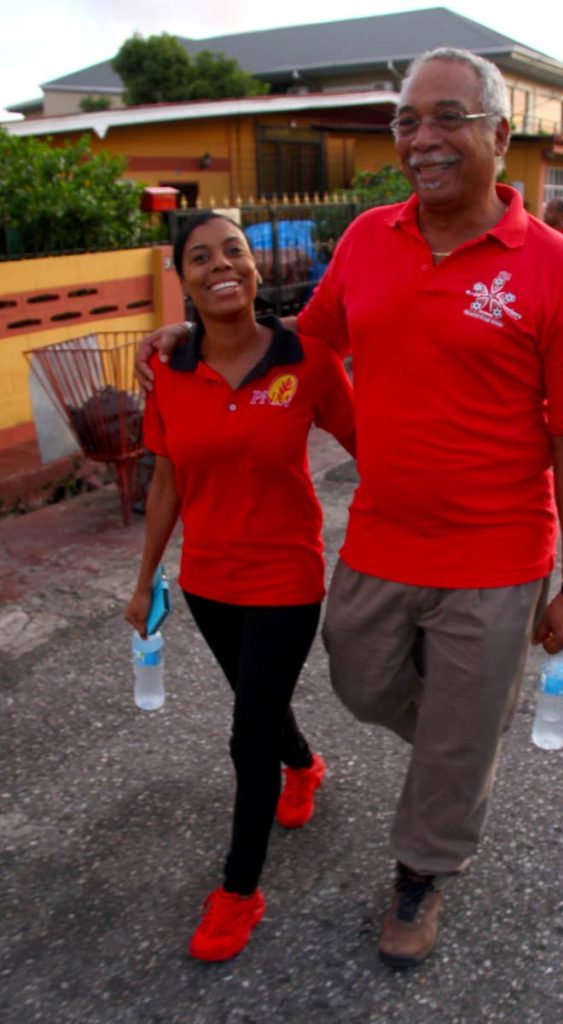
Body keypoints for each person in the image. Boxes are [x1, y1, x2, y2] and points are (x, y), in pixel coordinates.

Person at [137, 47, 563, 970]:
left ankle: (420, 871)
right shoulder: (366, 240)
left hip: (499, 554)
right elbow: (302, 347)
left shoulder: (555, 272)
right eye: (407, 122)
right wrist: (196, 335)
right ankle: (461, 744)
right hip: (382, 542)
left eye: (447, 118)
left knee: (452, 747)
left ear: (499, 136)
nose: (422, 140)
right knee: (359, 680)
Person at [125, 212, 355, 963]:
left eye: (235, 252)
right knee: (260, 709)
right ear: (183, 280)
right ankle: (303, 764)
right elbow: (166, 480)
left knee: (245, 733)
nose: (221, 265)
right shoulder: (169, 368)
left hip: (288, 576)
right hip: (208, 582)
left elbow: (374, 448)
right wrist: (144, 578)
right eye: (201, 257)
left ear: (256, 270)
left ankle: (238, 892)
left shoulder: (307, 359)